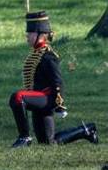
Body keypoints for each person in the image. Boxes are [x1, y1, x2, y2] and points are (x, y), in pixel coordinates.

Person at [9, 10, 97, 147]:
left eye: (30, 33)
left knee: (18, 97)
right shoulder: (35, 54)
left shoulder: (48, 56)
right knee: (48, 143)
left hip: (47, 98)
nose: (27, 36)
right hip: (38, 98)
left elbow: (58, 82)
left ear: (41, 35)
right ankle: (85, 131)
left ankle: (24, 137)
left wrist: (59, 105)